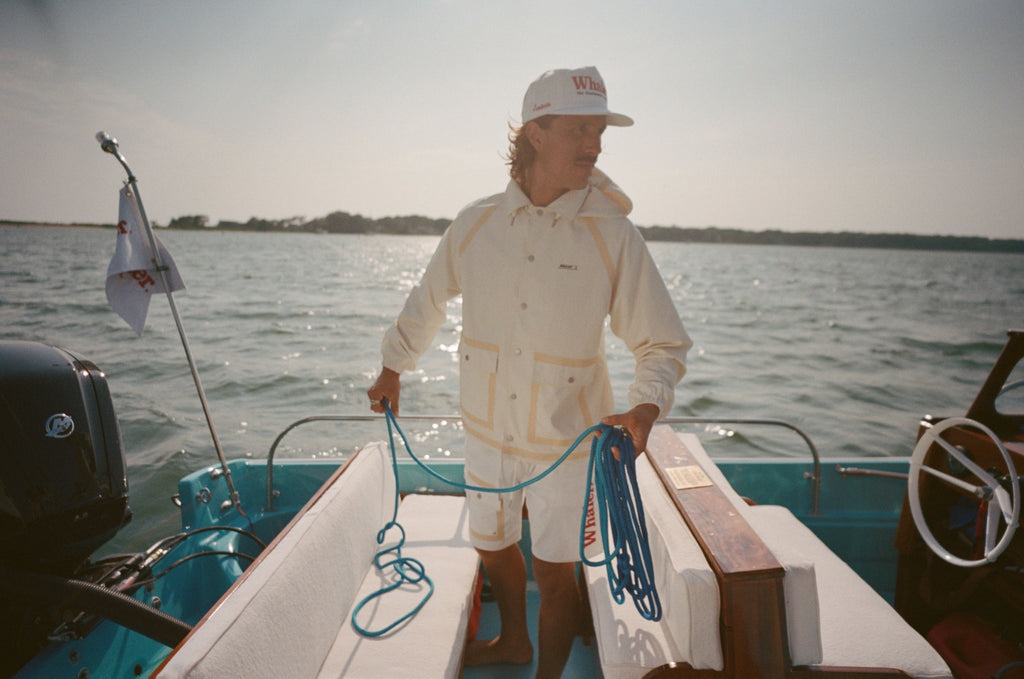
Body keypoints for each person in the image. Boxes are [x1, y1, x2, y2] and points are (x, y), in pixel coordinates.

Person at [367, 66, 691, 679]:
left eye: (599, 130)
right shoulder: (476, 223)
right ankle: (514, 640)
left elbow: (663, 342)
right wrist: (393, 367)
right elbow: (426, 301)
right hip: (486, 431)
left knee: (556, 569)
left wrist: (645, 407)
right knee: (491, 547)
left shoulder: (614, 235)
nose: (594, 144)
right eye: (579, 128)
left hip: (565, 441)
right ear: (536, 134)